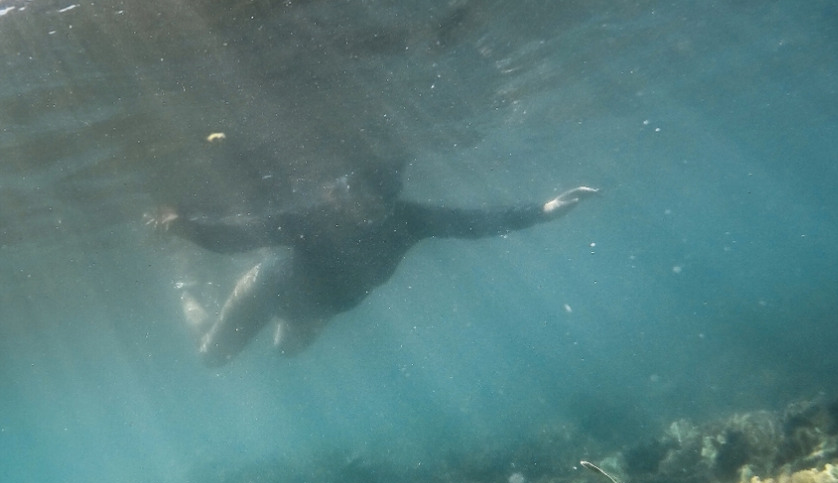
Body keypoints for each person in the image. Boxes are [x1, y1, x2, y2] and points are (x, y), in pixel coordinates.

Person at [153, 163, 598, 366]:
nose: (360, 211)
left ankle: (274, 320)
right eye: (352, 199)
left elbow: (473, 223)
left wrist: (542, 211)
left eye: (372, 204)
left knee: (285, 355)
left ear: (388, 203)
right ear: (338, 195)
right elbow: (235, 236)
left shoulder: (411, 219)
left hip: (319, 308)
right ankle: (186, 288)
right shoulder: (310, 220)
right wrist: (183, 227)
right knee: (213, 358)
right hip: (265, 289)